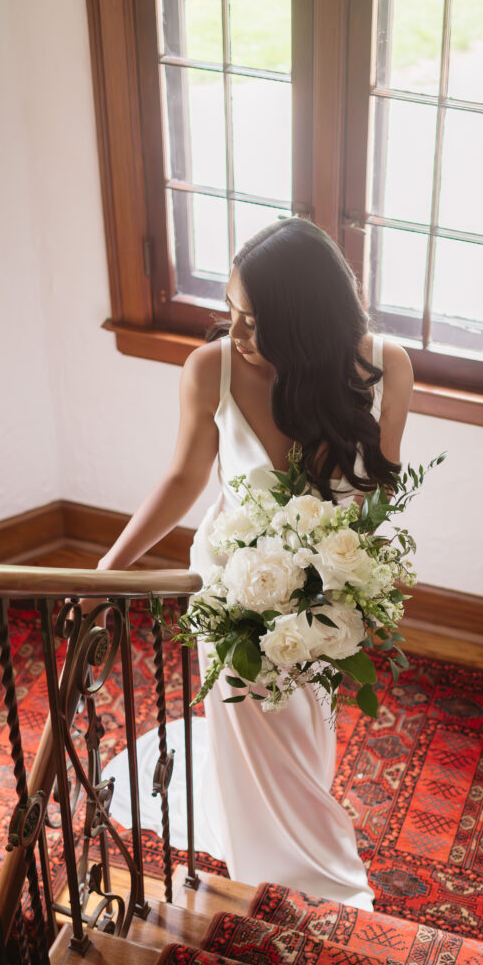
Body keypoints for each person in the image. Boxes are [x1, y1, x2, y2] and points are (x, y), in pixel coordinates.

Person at [98, 218, 414, 909]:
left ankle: (291, 832)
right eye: (233, 314)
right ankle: (288, 870)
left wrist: (352, 580)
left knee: (301, 732)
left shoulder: (386, 365)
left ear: (308, 321)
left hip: (327, 591)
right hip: (230, 586)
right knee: (249, 717)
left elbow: (377, 493)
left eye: (255, 321)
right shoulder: (211, 368)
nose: (237, 335)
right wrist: (108, 571)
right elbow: (183, 478)